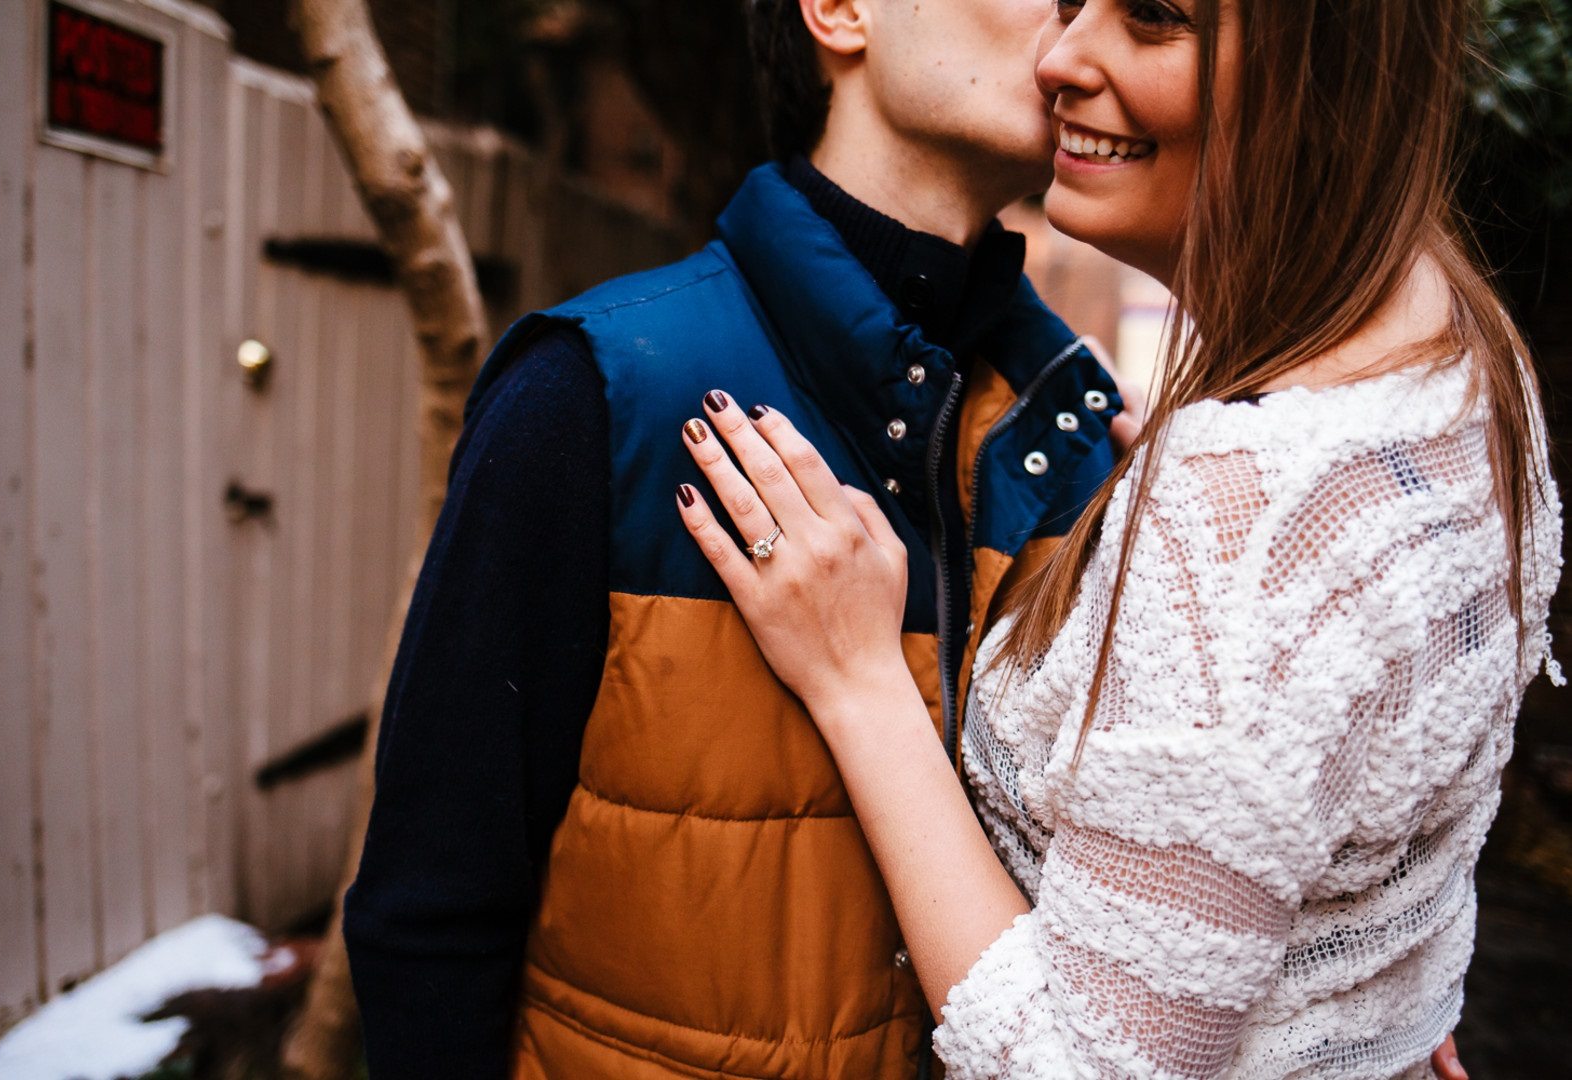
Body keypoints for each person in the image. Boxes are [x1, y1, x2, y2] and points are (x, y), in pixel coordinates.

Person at [670, 0, 1563, 1076]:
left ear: (1315, 69)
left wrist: (861, 684)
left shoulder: (1252, 500)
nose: (1060, 52)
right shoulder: (1464, 356)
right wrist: (1364, 1014)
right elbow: (1370, 809)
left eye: (1152, 18)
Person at [343, 1, 1145, 1077]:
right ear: (840, 11)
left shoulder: (1093, 452)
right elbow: (429, 925)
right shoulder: (595, 395)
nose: (1069, 29)